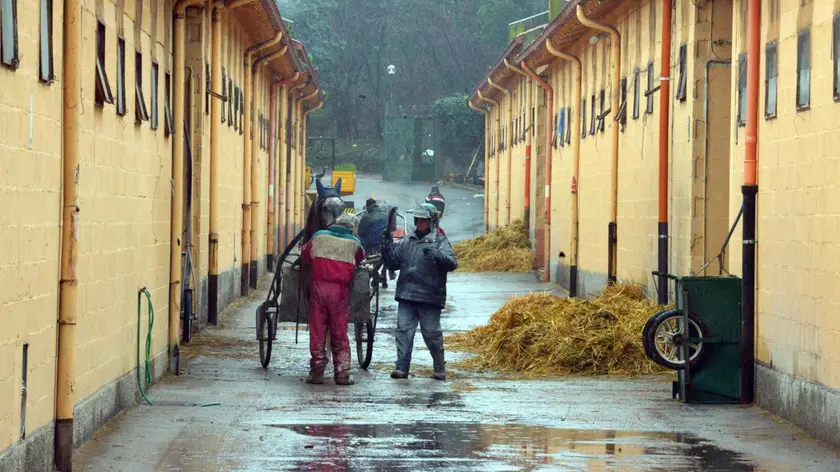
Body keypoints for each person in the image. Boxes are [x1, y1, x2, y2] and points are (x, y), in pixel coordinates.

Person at [381, 203, 457, 381]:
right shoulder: (408, 241)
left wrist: (438, 255)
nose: (419, 222)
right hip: (407, 295)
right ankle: (401, 368)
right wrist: (386, 245)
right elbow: (393, 262)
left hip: (430, 297)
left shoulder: (440, 241)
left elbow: (452, 263)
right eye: (417, 219)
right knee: (403, 331)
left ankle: (439, 368)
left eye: (423, 219)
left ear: (431, 221)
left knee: (431, 333)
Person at [301, 213, 364, 385]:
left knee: (318, 331)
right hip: (340, 292)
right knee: (339, 333)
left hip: (318, 289)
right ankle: (342, 374)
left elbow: (306, 255)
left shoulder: (318, 236)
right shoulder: (355, 243)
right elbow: (360, 260)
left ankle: (316, 373)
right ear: (352, 229)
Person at [357, 196, 390, 288]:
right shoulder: (385, 216)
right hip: (384, 243)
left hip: (370, 245)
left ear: (368, 207)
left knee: (370, 261)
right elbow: (391, 228)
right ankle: (384, 278)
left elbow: (360, 232)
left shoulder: (366, 218)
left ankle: (374, 278)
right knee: (383, 259)